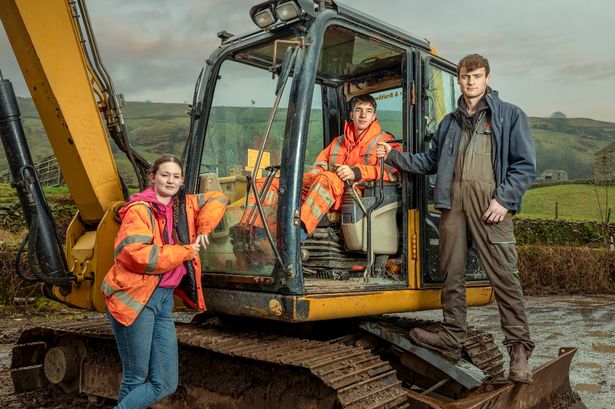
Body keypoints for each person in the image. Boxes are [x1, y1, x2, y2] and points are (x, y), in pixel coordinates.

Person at [376, 54, 536, 384]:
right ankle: (452, 337)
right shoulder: (449, 123)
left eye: (476, 76)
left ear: (487, 77)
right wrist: (392, 155)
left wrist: (503, 200)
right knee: (452, 275)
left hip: (489, 205)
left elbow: (524, 166)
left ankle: (519, 352)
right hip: (452, 205)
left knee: (505, 277)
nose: (470, 81)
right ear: (458, 80)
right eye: (465, 76)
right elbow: (428, 161)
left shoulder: (508, 116)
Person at [101, 154, 228, 408]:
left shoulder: (184, 206)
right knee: (136, 376)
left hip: (163, 301)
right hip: (135, 299)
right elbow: (136, 255)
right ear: (153, 177)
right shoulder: (139, 211)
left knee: (166, 381)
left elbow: (218, 198)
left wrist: (203, 228)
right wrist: (185, 251)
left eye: (176, 176)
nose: (170, 180)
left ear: (182, 181)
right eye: (165, 175)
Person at [243, 94, 400, 240]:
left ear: (374, 116)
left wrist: (357, 172)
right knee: (268, 183)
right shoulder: (338, 142)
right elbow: (319, 166)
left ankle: (298, 234)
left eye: (368, 111)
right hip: (324, 190)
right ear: (351, 115)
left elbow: (393, 173)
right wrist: (302, 179)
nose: (363, 115)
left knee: (327, 178)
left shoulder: (385, 141)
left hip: (358, 196)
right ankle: (252, 233)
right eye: (358, 110)